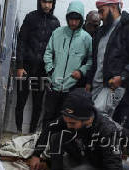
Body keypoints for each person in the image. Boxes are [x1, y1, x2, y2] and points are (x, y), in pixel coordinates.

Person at [85, 0, 129, 118]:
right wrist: (88, 81)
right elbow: (95, 59)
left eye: (102, 11)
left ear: (113, 7)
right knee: (88, 115)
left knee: (99, 117)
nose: (100, 17)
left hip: (113, 85)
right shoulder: (101, 30)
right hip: (95, 84)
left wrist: (122, 77)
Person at [42, 0, 92, 128]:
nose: (73, 22)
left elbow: (91, 60)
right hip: (54, 85)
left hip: (71, 89)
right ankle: (42, 145)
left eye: (77, 20)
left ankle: (56, 146)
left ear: (81, 20)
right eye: (71, 19)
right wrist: (51, 70)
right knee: (48, 117)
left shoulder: (86, 38)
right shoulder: (58, 33)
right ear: (67, 18)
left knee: (64, 121)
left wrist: (81, 71)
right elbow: (48, 52)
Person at [15, 0, 60, 134]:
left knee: (38, 105)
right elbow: (21, 41)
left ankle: (31, 134)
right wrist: (20, 65)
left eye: (50, 2)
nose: (47, 5)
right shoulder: (31, 17)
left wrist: (51, 71)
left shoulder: (55, 23)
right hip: (26, 68)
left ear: (53, 4)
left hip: (42, 71)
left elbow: (55, 50)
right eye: (44, 2)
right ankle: (18, 132)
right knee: (20, 102)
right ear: (39, 2)